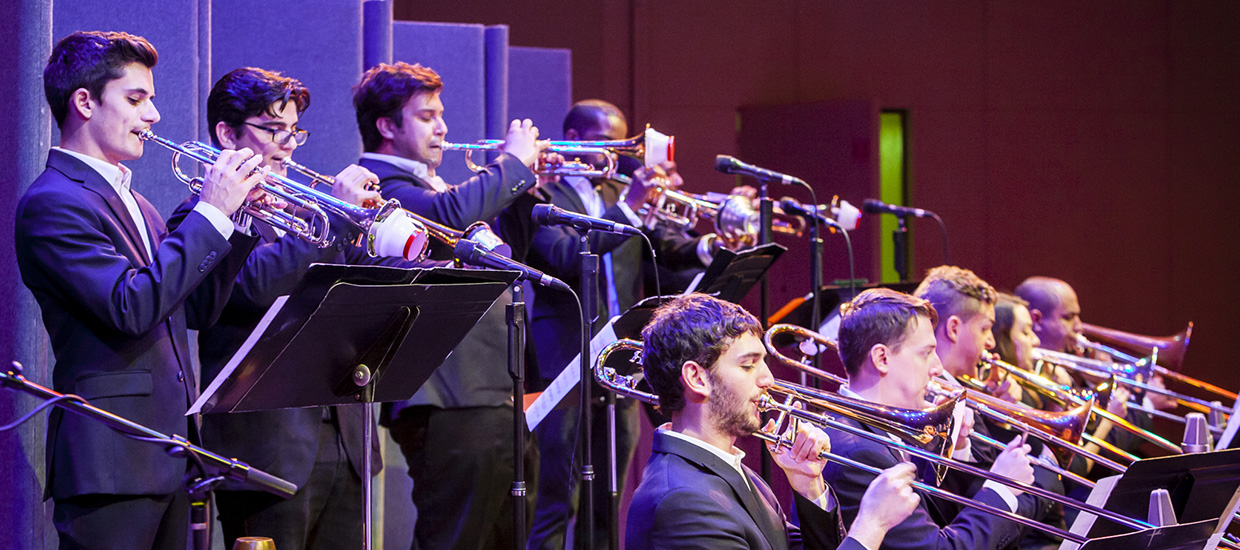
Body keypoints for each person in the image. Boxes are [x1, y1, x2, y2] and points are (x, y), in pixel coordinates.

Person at [14, 31, 265, 549]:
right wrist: (211, 213)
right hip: (112, 462)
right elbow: (130, 306)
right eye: (136, 99)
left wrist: (236, 221)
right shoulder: (53, 202)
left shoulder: (139, 203)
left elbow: (192, 307)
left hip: (170, 454)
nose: (153, 115)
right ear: (84, 102)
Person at [171, 66, 413, 549]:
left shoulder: (307, 217)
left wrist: (384, 239)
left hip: (344, 437)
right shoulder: (200, 216)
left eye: (294, 131)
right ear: (226, 134)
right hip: (266, 445)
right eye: (272, 130)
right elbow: (255, 286)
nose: (287, 145)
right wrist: (340, 221)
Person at [352, 60, 545, 550]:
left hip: (492, 393)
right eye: (425, 116)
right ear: (387, 126)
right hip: (446, 399)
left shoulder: (433, 185)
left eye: (441, 114)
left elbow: (512, 258)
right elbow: (448, 215)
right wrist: (513, 166)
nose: (441, 127)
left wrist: (524, 188)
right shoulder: (377, 184)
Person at [525, 99, 717, 549]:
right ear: (572, 139)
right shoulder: (542, 195)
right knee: (557, 501)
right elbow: (562, 256)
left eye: (620, 139)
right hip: (566, 363)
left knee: (607, 498)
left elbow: (665, 250)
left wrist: (711, 244)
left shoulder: (614, 195)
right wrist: (631, 206)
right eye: (603, 140)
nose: (615, 151)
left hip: (621, 362)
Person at [628, 293, 919, 550]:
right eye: (748, 365)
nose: (768, 379)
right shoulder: (682, 502)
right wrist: (871, 526)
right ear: (697, 378)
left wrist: (809, 486)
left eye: (763, 362)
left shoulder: (736, 473)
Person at [823, 288, 1038, 550]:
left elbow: (944, 520)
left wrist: (955, 450)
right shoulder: (859, 450)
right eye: (926, 353)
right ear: (882, 358)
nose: (937, 368)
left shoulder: (892, 426)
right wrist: (1001, 488)